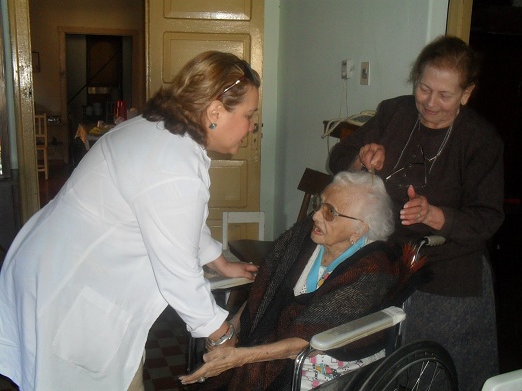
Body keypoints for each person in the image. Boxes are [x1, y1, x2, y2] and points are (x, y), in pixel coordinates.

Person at [0, 51, 260, 390]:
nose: (253, 126)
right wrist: (221, 334)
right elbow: (178, 272)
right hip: (69, 287)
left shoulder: (161, 131)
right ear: (214, 111)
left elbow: (179, 223)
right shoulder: (172, 163)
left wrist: (220, 261)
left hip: (51, 267)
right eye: (248, 115)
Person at [329, 36, 504, 390]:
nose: (430, 103)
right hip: (388, 264)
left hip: (450, 275)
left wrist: (437, 215)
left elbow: (488, 217)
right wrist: (361, 157)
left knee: (438, 372)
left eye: (445, 95)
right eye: (424, 89)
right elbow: (336, 159)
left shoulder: (480, 141)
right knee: (383, 365)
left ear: (466, 94)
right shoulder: (395, 113)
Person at [180, 171, 424, 390]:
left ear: (358, 230)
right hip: (277, 341)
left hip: (330, 354)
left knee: (250, 374)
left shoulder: (372, 269)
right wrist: (231, 331)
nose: (316, 215)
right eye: (320, 204)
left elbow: (307, 339)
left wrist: (240, 356)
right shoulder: (302, 240)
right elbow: (264, 292)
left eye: (330, 212)